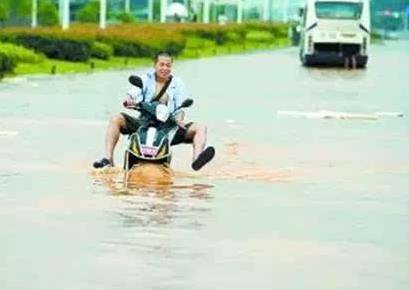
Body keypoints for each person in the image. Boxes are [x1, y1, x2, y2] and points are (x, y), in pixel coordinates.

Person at [93, 51, 215, 171]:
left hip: (169, 126)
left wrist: (179, 120)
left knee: (200, 127)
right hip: (143, 122)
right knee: (116, 119)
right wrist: (129, 100)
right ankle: (108, 159)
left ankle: (196, 159)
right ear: (155, 65)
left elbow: (181, 108)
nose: (165, 68)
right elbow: (134, 93)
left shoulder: (178, 84)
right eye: (161, 64)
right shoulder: (145, 79)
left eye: (168, 65)